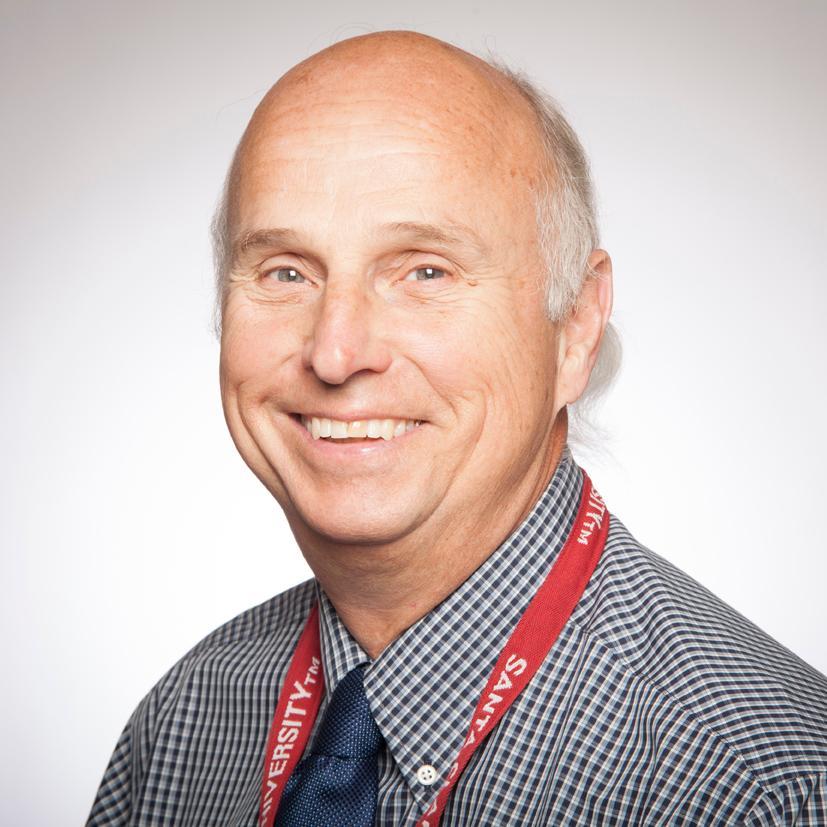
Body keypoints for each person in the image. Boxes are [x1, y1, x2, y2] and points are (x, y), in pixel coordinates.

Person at [87, 30, 827, 826]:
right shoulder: (184, 723)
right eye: (286, 271)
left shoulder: (768, 790)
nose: (335, 352)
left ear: (575, 326)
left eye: (424, 270)